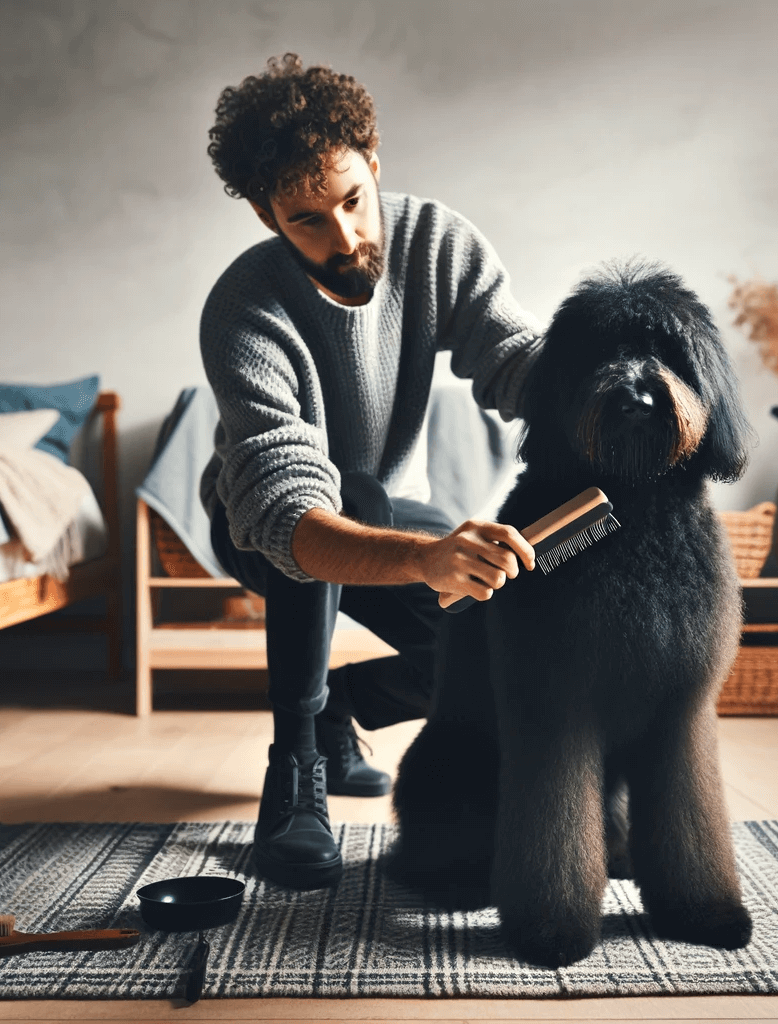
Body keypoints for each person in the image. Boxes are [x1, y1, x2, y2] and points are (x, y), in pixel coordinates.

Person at [199, 54, 540, 890]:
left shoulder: (435, 243)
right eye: (307, 219)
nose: (345, 237)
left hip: (392, 511)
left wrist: (605, 392)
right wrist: (424, 559)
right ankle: (295, 762)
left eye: (353, 200)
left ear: (374, 161)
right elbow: (290, 513)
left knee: (501, 638)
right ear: (264, 214)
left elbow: (517, 363)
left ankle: (340, 710)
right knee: (332, 495)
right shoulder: (244, 308)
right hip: (263, 524)